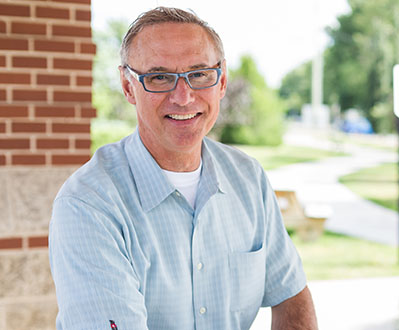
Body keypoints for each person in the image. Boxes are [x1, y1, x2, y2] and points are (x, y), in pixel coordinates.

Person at [48, 7, 317, 330]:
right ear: (128, 86)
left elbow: (291, 296)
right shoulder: (88, 205)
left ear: (222, 81)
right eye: (159, 77)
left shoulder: (248, 178)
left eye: (199, 74)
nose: (183, 96)